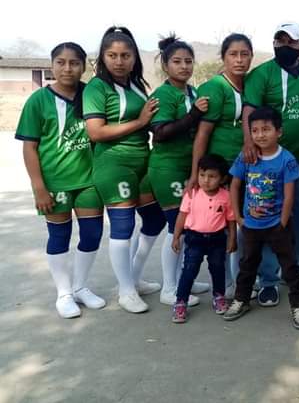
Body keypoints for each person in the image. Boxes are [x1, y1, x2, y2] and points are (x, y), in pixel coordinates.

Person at [16, 42, 106, 318]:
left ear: (83, 66)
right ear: (52, 65)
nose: (68, 68)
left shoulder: (91, 94)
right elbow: (29, 147)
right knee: (59, 236)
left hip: (89, 181)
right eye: (61, 62)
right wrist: (39, 188)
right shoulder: (38, 101)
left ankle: (80, 286)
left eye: (74, 63)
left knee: (92, 234)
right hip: (54, 183)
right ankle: (64, 293)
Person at [83, 26, 166, 313]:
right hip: (114, 163)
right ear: (103, 57)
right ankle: (126, 291)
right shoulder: (97, 87)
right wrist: (140, 122)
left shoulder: (136, 84)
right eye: (112, 55)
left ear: (134, 58)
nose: (119, 61)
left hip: (144, 160)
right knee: (123, 226)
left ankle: (133, 277)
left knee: (155, 219)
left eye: (125, 55)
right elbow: (96, 132)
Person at [241, 22, 299, 306]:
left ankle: (293, 268)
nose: (285, 46)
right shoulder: (262, 74)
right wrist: (249, 143)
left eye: (291, 41)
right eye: (280, 41)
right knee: (270, 219)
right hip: (270, 162)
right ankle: (268, 279)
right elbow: (249, 110)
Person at [224, 107, 299, 330]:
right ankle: (241, 300)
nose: (260, 135)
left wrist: (282, 222)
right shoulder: (246, 157)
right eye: (255, 130)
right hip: (250, 225)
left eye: (266, 129)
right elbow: (234, 186)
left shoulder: (286, 159)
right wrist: (239, 217)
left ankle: (298, 306)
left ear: (279, 131)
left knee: (290, 267)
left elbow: (289, 194)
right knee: (247, 266)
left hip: (277, 226)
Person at [147, 34, 211, 306]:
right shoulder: (163, 94)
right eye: (177, 61)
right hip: (167, 168)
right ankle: (169, 288)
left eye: (188, 61)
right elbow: (161, 133)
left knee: (190, 227)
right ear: (165, 65)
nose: (184, 66)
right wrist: (194, 114)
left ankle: (186, 278)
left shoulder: (192, 92)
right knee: (178, 227)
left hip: (189, 168)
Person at [190, 33, 253, 296]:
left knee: (243, 223)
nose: (239, 60)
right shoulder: (215, 87)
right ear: (223, 57)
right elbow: (202, 134)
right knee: (224, 225)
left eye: (244, 54)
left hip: (246, 166)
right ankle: (226, 283)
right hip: (221, 170)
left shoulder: (250, 83)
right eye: (233, 54)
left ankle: (242, 279)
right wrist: (195, 174)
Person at [171, 154, 236, 323]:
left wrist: (232, 239)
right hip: (194, 239)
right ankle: (180, 302)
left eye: (212, 176)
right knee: (189, 270)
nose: (206, 180)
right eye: (202, 175)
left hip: (217, 239)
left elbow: (231, 220)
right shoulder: (191, 194)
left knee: (218, 269)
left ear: (222, 179)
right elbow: (182, 216)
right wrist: (176, 237)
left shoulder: (226, 196)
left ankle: (219, 296)